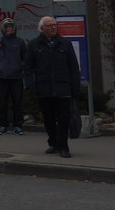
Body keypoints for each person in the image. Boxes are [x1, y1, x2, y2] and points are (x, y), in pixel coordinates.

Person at [22, 16, 80, 158]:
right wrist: (30, 85)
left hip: (62, 88)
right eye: (50, 25)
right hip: (44, 88)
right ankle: (53, 142)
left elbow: (73, 67)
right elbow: (27, 67)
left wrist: (75, 86)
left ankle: (63, 146)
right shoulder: (34, 45)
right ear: (42, 28)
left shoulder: (65, 44)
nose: (54, 27)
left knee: (63, 119)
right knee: (48, 119)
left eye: (55, 25)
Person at [0, 18, 28, 135]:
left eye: (11, 27)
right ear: (3, 29)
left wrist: (20, 67)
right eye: (7, 27)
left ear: (14, 28)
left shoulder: (20, 42)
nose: (9, 29)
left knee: (17, 102)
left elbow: (26, 58)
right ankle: (2, 125)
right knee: (2, 102)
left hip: (16, 76)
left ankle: (18, 125)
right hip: (2, 76)